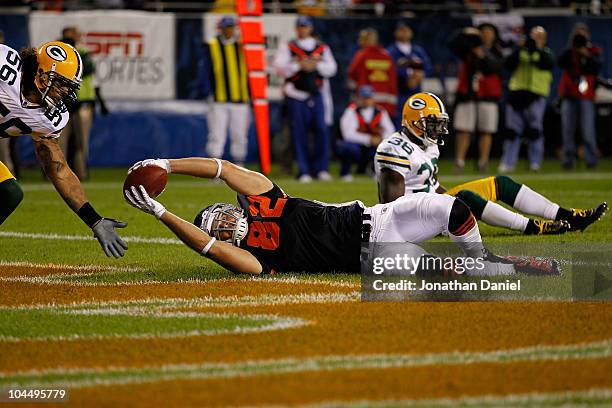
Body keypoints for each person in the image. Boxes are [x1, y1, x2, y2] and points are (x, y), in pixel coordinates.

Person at [124, 157, 558, 276]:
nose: (220, 224)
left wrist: (167, 163)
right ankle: (511, 267)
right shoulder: (258, 259)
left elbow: (223, 170)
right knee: (445, 271)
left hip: (378, 218)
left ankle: (486, 256)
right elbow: (208, 248)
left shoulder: (262, 199)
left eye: (218, 215)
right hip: (370, 259)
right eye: (214, 226)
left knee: (454, 209)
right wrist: (163, 212)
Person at [375, 92, 607, 235]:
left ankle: (568, 216)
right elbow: (391, 209)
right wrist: (447, 208)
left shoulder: (428, 145)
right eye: (432, 123)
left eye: (439, 123)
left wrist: (446, 200)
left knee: (499, 183)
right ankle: (533, 227)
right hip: (415, 221)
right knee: (465, 198)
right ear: (414, 122)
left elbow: (432, 187)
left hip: (432, 209)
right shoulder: (393, 148)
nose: (437, 129)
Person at [0, 41, 127, 257]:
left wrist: (93, 219)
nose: (65, 92)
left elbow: (58, 169)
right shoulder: (4, 64)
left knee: (9, 193)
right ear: (41, 73)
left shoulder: (49, 119)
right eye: (61, 84)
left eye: (69, 86)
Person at [273, 16, 337, 183]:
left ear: (310, 28)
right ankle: (303, 170)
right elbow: (279, 68)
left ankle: (321, 168)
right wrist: (299, 65)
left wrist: (316, 65)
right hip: (296, 95)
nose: (303, 29)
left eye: (305, 26)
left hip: (317, 95)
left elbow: (332, 68)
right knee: (298, 133)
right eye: (300, 26)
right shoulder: (288, 46)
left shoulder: (321, 47)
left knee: (321, 131)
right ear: (296, 28)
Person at [499, 26, 554, 173]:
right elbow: (508, 64)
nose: (536, 40)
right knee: (512, 131)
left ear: (544, 39)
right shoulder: (520, 52)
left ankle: (535, 162)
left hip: (536, 95)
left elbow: (548, 63)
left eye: (539, 37)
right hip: (517, 94)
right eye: (533, 36)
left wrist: (537, 49)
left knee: (535, 130)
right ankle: (508, 162)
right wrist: (520, 48)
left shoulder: (546, 52)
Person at [449, 24, 503, 172]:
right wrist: (464, 32)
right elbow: (451, 45)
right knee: (463, 130)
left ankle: (483, 162)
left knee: (486, 130)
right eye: (483, 32)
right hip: (467, 95)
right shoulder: (467, 49)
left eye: (489, 32)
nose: (486, 35)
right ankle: (459, 162)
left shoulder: (497, 50)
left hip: (488, 95)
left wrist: (483, 55)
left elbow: (496, 67)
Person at [59, 26, 109, 180]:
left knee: (81, 143)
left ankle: (81, 173)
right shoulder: (60, 52)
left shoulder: (82, 52)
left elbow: (88, 70)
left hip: (83, 102)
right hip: (64, 103)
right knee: (60, 142)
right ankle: (58, 173)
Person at [202, 16, 250, 166]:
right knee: (217, 135)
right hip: (219, 99)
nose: (229, 30)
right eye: (226, 27)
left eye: (231, 27)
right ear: (220, 28)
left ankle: (239, 166)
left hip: (240, 99)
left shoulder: (243, 46)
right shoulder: (212, 45)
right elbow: (204, 71)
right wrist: (208, 92)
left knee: (239, 135)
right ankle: (214, 168)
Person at [558, 23, 602, 169]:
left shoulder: (593, 51)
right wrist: (573, 49)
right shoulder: (568, 52)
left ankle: (591, 160)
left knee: (588, 131)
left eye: (583, 34)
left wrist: (586, 54)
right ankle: (568, 161)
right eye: (578, 34)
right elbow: (561, 63)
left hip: (586, 96)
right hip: (569, 96)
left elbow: (596, 67)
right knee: (567, 132)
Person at [337, 85, 394, 182]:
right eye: (363, 97)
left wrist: (380, 139)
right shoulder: (351, 111)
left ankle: (375, 171)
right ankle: (345, 172)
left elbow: (390, 131)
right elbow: (348, 134)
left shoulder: (381, 111)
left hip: (373, 146)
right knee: (348, 148)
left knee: (387, 147)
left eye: (368, 98)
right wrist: (368, 139)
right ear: (358, 98)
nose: (366, 100)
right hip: (357, 146)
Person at [386, 22, 432, 127]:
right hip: (399, 93)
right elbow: (388, 71)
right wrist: (405, 78)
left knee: (416, 122)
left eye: (407, 29)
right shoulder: (390, 52)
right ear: (395, 32)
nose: (405, 32)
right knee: (400, 123)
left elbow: (428, 67)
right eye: (401, 29)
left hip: (416, 93)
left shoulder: (418, 51)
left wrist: (421, 75)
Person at [347, 28, 397, 117]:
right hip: (386, 104)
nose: (359, 41)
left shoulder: (361, 55)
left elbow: (352, 77)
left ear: (366, 39)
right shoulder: (386, 55)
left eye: (361, 38)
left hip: (365, 103)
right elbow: (392, 80)